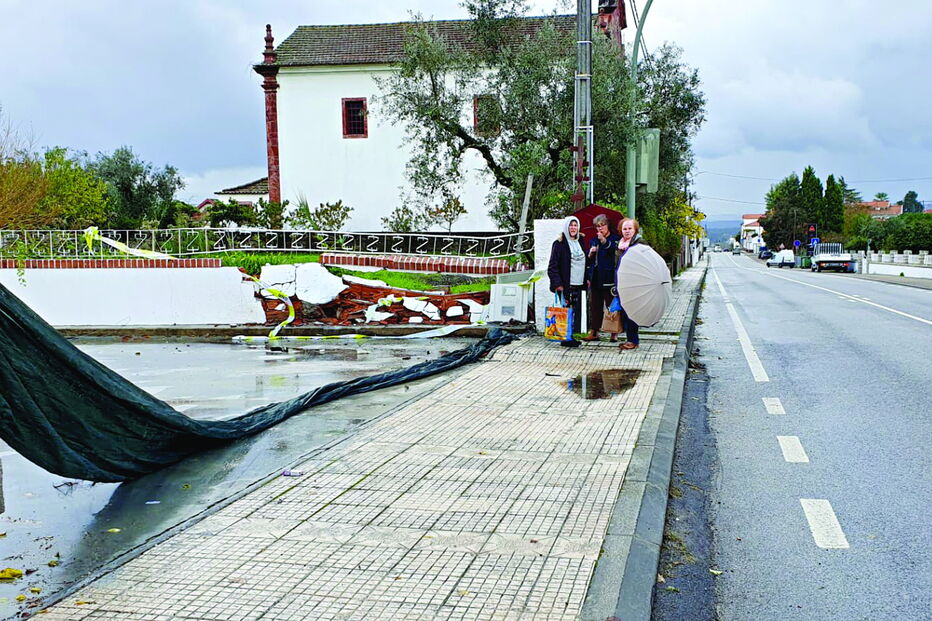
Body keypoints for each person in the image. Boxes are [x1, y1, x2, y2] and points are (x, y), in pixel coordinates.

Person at [547, 215, 586, 344]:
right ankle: (566, 338)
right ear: (566, 227)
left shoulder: (581, 241)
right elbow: (553, 266)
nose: (573, 228)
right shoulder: (559, 243)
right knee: (566, 310)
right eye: (571, 225)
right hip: (566, 284)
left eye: (575, 225)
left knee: (574, 312)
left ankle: (570, 336)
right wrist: (557, 283)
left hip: (579, 283)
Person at [582, 214, 620, 342]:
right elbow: (589, 260)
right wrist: (591, 253)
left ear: (607, 225)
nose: (600, 229)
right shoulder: (593, 240)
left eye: (602, 225)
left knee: (611, 305)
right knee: (595, 306)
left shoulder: (615, 239)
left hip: (608, 277)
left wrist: (604, 241)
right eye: (597, 226)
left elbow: (614, 252)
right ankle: (594, 331)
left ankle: (614, 332)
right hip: (596, 277)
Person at [615, 217, 643, 351]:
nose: (627, 231)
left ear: (635, 230)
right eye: (624, 229)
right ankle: (629, 338)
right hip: (622, 283)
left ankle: (633, 340)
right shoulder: (620, 244)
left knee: (631, 312)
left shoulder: (640, 244)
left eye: (630, 228)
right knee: (625, 312)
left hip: (634, 283)